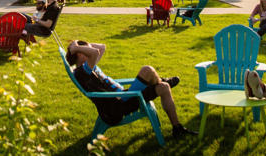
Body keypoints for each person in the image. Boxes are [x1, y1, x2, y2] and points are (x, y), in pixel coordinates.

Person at [65, 39, 197, 140]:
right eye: (86, 49)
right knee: (147, 70)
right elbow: (95, 52)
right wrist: (76, 47)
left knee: (164, 87)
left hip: (124, 97)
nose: (89, 48)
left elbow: (102, 47)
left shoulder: (89, 66)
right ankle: (162, 80)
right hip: (119, 104)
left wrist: (78, 44)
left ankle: (177, 128)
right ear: (80, 54)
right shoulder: (82, 72)